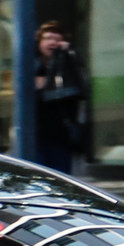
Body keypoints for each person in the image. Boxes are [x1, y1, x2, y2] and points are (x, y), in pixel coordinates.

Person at [30, 22, 88, 174]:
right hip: (36, 134)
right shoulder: (32, 64)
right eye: (48, 38)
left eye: (57, 39)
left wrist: (67, 53)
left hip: (61, 134)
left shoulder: (68, 62)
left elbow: (80, 87)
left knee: (60, 174)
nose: (52, 43)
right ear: (39, 42)